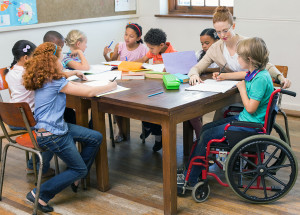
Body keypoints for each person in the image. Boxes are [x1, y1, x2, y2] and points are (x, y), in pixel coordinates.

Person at [23, 42, 117, 213]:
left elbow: (63, 75)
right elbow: (89, 93)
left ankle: (75, 177)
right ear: (52, 62)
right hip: (53, 134)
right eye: (60, 59)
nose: (63, 61)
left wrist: (73, 72)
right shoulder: (55, 81)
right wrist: (111, 86)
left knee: (95, 137)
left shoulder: (44, 76)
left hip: (50, 129)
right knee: (79, 169)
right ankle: (39, 194)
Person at [178, 37, 274, 190]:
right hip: (248, 121)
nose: (237, 58)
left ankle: (191, 178)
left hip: (249, 126)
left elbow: (250, 108)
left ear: (248, 59)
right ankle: (193, 168)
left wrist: (242, 89)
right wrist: (224, 76)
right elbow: (242, 75)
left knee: (206, 136)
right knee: (205, 129)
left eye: (239, 56)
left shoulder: (260, 80)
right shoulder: (257, 73)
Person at [188, 6, 291, 120]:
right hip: (231, 93)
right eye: (218, 32)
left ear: (233, 26)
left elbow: (266, 65)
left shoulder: (247, 44)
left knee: (219, 116)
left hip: (250, 95)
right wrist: (193, 74)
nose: (222, 35)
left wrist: (280, 77)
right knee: (215, 116)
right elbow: (197, 67)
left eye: (225, 30)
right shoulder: (215, 48)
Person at [4, 40, 55, 178]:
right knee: (54, 132)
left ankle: (32, 165)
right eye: (34, 57)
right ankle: (40, 168)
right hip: (28, 119)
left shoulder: (9, 72)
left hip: (12, 119)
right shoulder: (28, 74)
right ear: (26, 58)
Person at [103, 23, 147, 143]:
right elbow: (111, 64)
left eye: (131, 36)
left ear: (138, 38)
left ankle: (146, 127)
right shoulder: (120, 46)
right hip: (121, 80)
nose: (127, 38)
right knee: (116, 104)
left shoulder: (143, 48)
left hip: (137, 83)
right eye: (126, 34)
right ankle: (121, 131)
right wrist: (105, 55)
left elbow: (145, 66)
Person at [136, 28, 176, 152]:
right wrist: (135, 65)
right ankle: (147, 127)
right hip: (153, 85)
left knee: (155, 111)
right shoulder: (153, 51)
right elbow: (142, 60)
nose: (150, 51)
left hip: (167, 90)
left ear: (162, 45)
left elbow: (173, 72)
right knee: (142, 103)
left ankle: (158, 137)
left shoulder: (172, 53)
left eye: (151, 48)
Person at [43, 30, 85, 125]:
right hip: (50, 114)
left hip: (50, 109)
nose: (61, 51)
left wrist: (73, 72)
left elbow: (58, 75)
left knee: (70, 112)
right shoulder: (47, 66)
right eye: (59, 48)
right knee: (70, 112)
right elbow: (56, 79)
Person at [190, 28, 220, 140]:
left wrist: (204, 70)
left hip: (216, 89)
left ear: (217, 41)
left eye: (207, 43)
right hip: (201, 87)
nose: (204, 46)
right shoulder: (200, 54)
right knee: (192, 115)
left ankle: (205, 138)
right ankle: (201, 138)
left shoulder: (221, 55)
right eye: (202, 43)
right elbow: (195, 68)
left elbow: (222, 69)